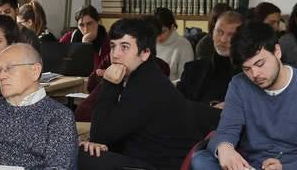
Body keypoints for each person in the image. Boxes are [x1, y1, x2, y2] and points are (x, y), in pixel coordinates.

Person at [192, 22, 297, 170]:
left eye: (260, 64)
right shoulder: (239, 85)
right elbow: (226, 130)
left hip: (294, 165)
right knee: (201, 159)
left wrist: (284, 168)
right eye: (247, 69)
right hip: (252, 165)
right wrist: (224, 147)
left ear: (277, 52)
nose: (255, 74)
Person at [79, 17, 219, 170]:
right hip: (145, 155)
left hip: (157, 165)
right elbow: (112, 131)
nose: (115, 54)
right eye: (113, 46)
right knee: (85, 150)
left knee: (80, 155)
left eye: (124, 47)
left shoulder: (146, 86)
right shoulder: (146, 74)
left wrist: (109, 84)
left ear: (145, 53)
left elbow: (99, 135)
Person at [177, 11, 242, 105]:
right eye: (219, 32)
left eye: (231, 35)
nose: (223, 40)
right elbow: (178, 105)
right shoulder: (192, 69)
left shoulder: (249, 74)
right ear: (212, 33)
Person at [59, 5, 110, 71]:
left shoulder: (107, 40)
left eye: (89, 24)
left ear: (98, 22)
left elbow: (98, 69)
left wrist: (86, 45)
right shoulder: (69, 37)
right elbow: (58, 61)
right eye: (81, 25)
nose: (86, 29)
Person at [154, 7, 194, 82]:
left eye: (163, 32)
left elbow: (185, 80)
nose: (158, 37)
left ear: (172, 27)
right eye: (156, 31)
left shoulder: (184, 45)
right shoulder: (148, 42)